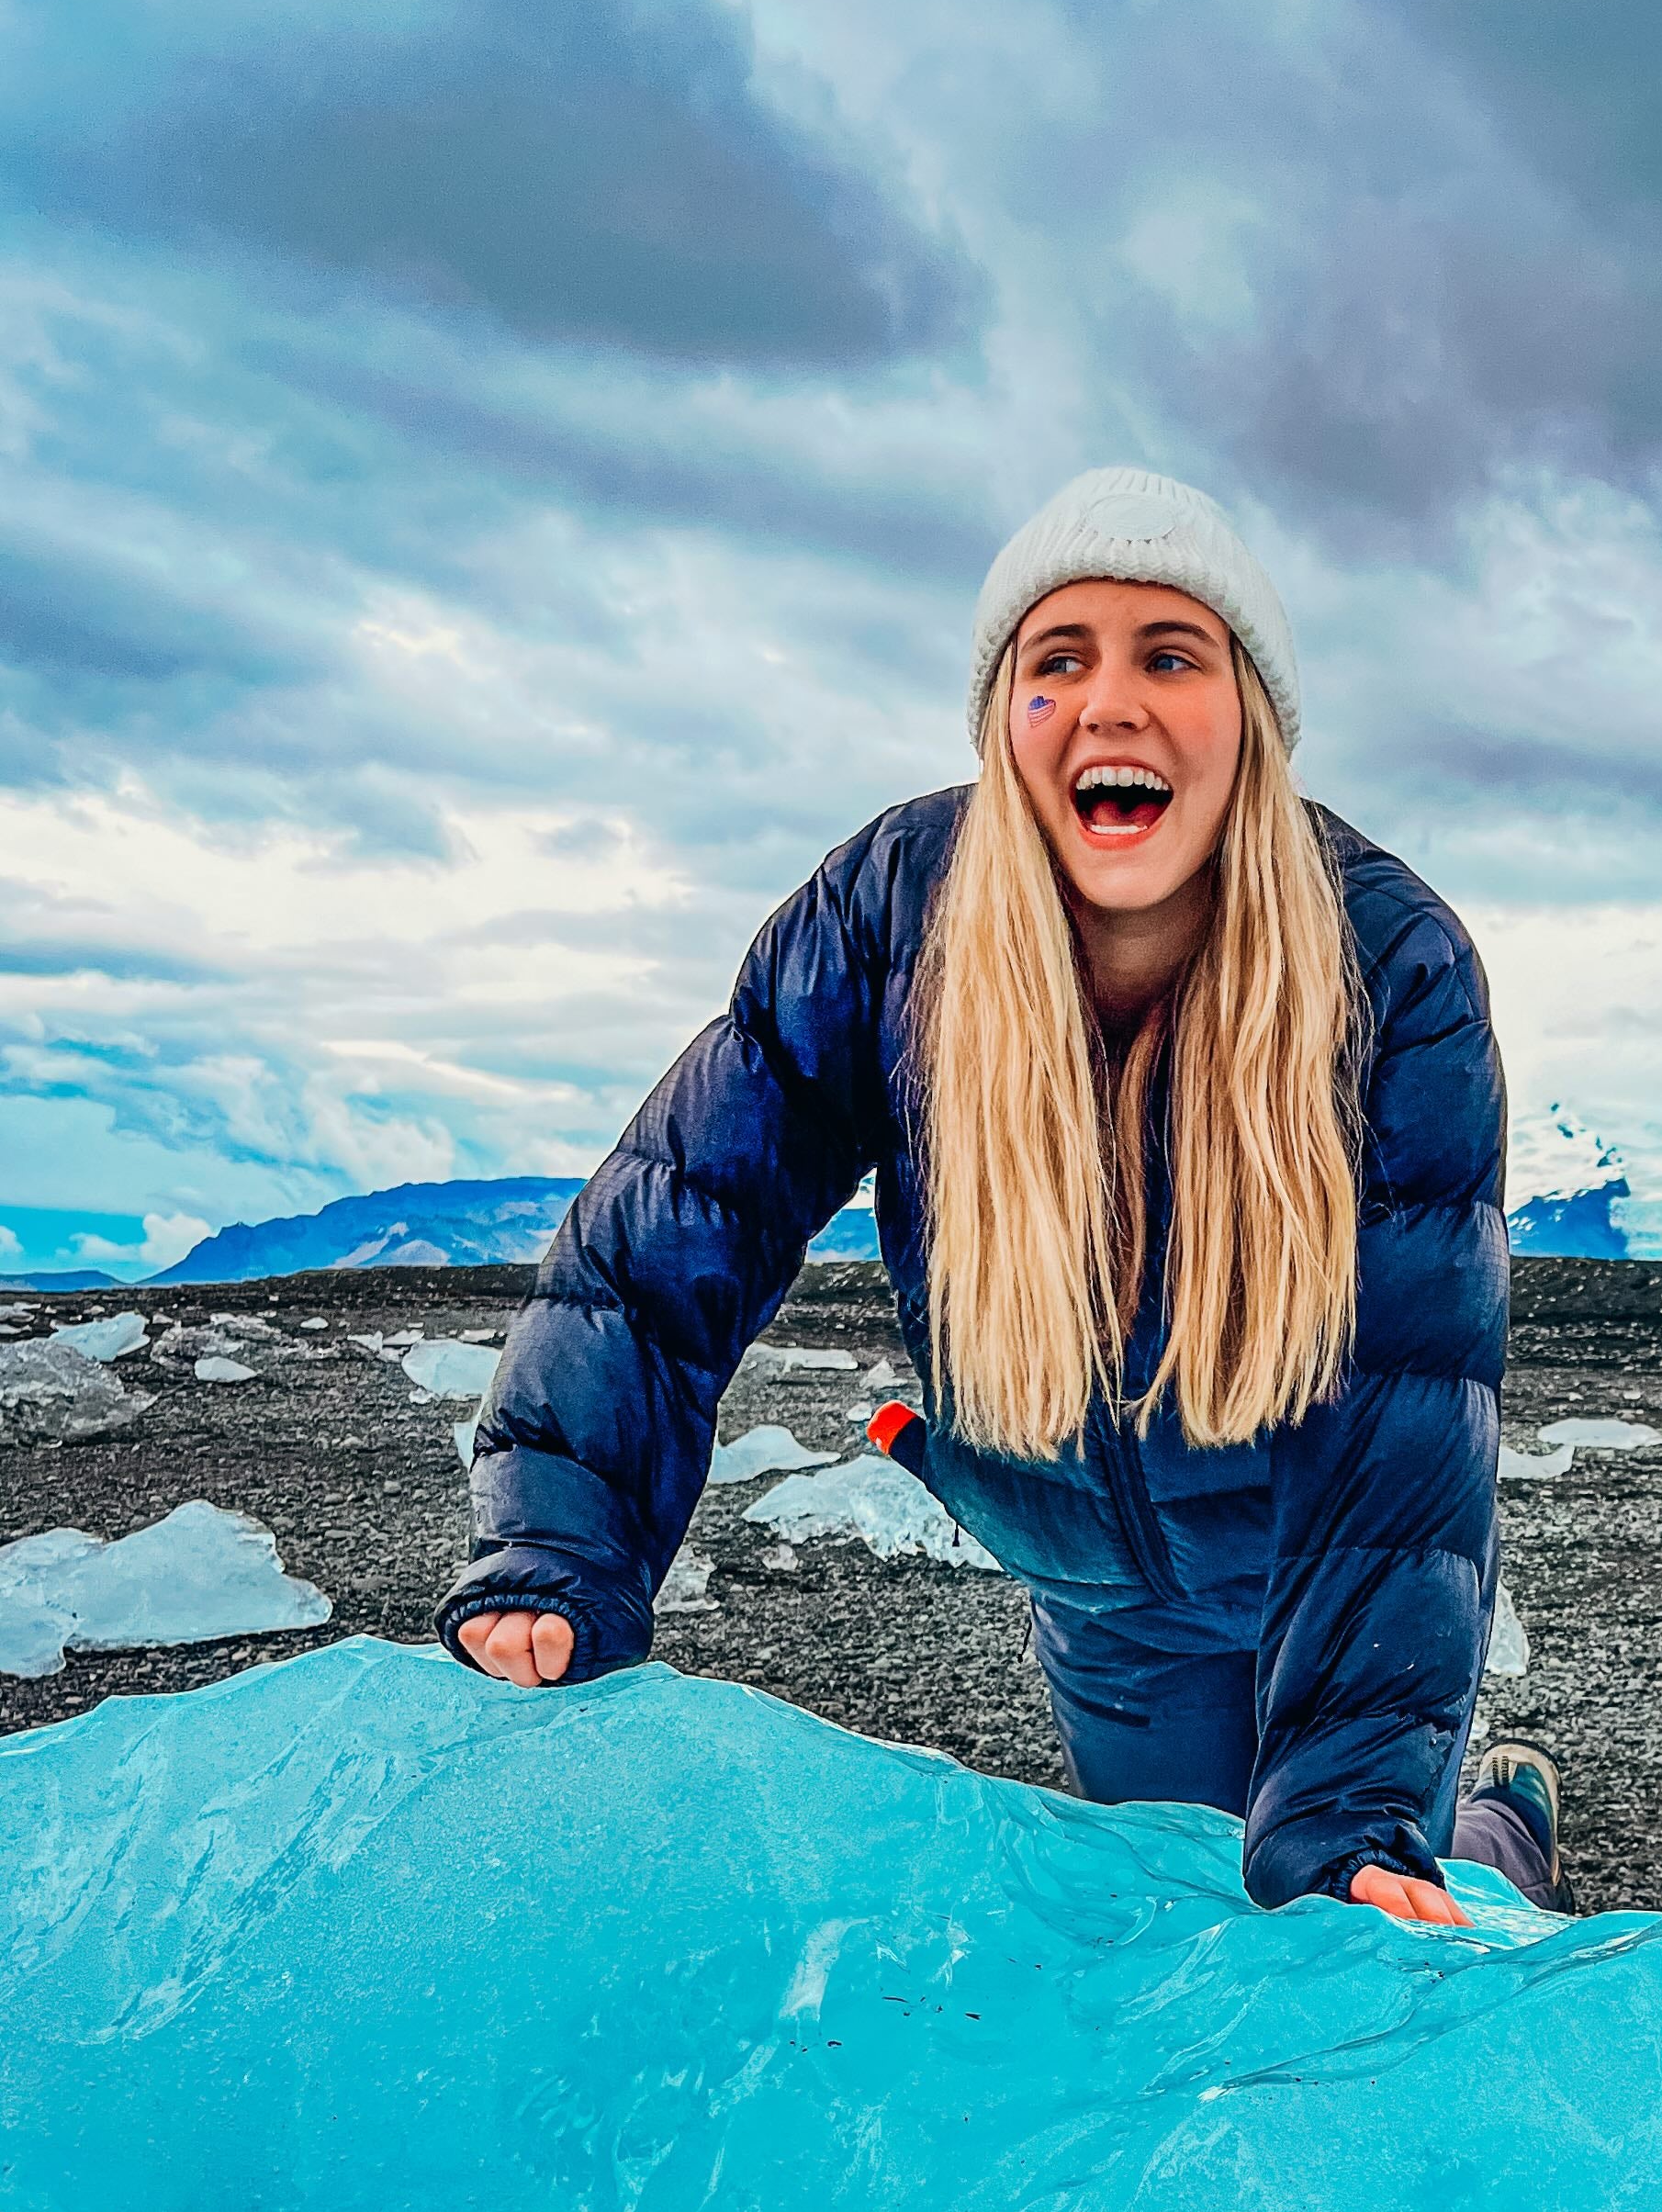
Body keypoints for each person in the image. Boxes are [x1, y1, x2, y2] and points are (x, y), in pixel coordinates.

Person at [439, 465, 1566, 1926]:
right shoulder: (890, 917)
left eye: (1173, 656)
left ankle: (1503, 1822)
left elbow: (1411, 1396)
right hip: (1095, 1590)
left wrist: (1354, 1803)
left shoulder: (1390, 967)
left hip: (1314, 1545)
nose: (1113, 705)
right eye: (1060, 662)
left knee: (1352, 1898)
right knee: (1182, 1911)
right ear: (1002, 718)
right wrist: (559, 1541)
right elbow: (678, 1223)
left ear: (1254, 722)